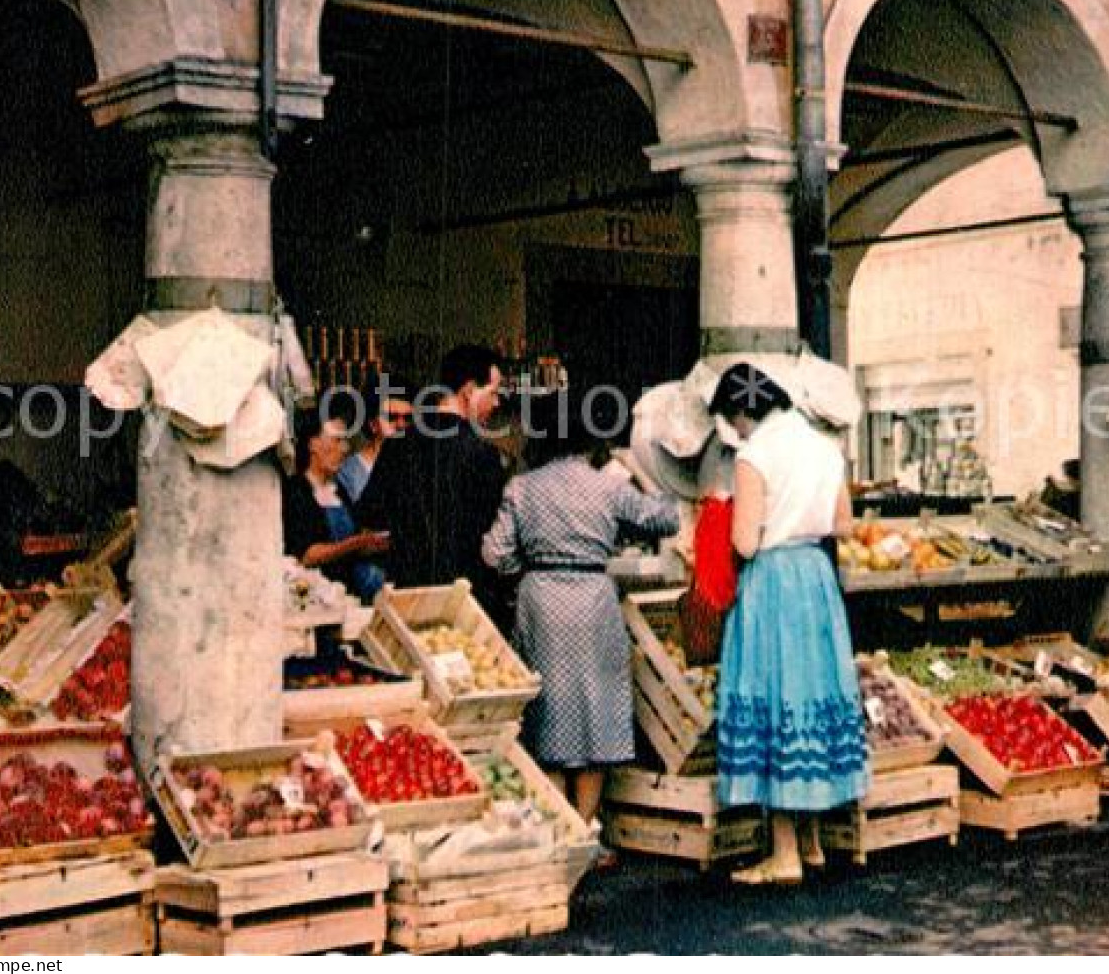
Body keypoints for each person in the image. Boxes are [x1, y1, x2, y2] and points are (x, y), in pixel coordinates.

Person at [481, 387, 679, 827]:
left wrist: (524, 567)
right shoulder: (607, 487)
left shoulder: (522, 486)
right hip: (593, 600)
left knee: (548, 713)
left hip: (541, 601)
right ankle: (586, 825)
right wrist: (638, 473)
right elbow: (666, 517)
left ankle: (557, 826)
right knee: (595, 710)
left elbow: (495, 554)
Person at [710, 362, 868, 886]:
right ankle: (812, 842)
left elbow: (745, 542)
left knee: (776, 696)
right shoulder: (825, 448)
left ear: (740, 412)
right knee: (810, 696)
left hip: (772, 582)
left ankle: (782, 855)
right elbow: (843, 522)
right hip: (815, 577)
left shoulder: (755, 455)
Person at [360, 345, 509, 621]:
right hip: (464, 601)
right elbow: (494, 536)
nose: (497, 403)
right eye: (493, 393)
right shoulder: (483, 454)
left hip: (408, 598)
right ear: (469, 390)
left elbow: (370, 513)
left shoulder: (396, 446)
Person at [282, 406, 389, 602]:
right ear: (313, 444)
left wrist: (374, 542)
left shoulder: (339, 490)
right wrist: (355, 543)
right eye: (337, 440)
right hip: (317, 597)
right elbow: (307, 556)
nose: (345, 448)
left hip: (351, 594)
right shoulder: (296, 492)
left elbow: (356, 540)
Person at [337, 384, 414, 506]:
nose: (401, 425)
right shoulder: (347, 474)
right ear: (373, 424)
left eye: (408, 418)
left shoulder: (414, 468)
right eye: (391, 417)